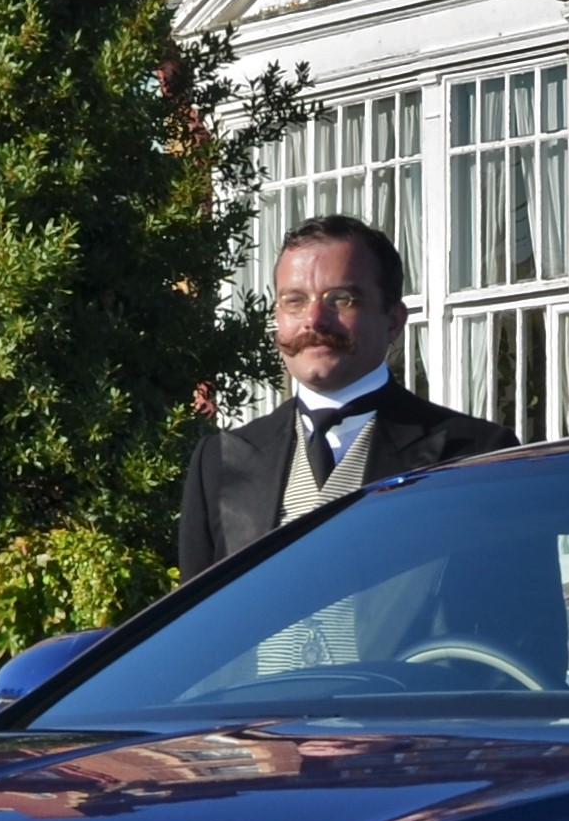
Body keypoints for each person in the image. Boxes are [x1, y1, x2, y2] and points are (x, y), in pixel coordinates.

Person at [177, 213, 516, 576]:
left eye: (341, 299)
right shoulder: (221, 462)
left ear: (393, 321)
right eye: (294, 301)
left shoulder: (476, 455)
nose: (314, 319)